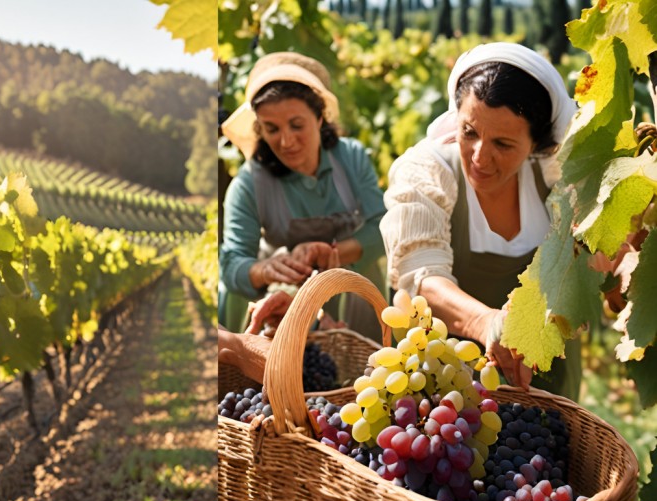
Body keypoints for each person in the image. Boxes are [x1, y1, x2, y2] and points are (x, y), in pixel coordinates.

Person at [379, 42, 581, 400]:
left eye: (503, 144)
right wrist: (485, 322)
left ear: (536, 144)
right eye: (469, 132)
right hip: (447, 384)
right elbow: (421, 277)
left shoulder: (557, 176)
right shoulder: (428, 172)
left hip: (544, 376)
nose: (480, 157)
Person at [219, 51, 387, 340]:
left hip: (353, 298)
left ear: (320, 117)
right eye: (271, 129)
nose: (286, 141)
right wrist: (263, 270)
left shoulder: (351, 158)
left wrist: (334, 253)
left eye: (297, 125)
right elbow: (232, 263)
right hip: (283, 308)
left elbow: (382, 228)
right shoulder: (249, 183)